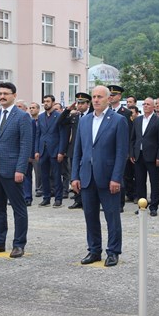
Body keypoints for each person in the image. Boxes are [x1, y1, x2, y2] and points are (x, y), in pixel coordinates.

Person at [71, 85, 129, 267]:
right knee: (90, 215)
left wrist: (116, 178)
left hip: (108, 177)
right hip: (87, 176)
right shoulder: (85, 121)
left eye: (99, 97)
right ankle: (94, 250)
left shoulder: (118, 121)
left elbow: (121, 152)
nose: (95, 100)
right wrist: (75, 176)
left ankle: (113, 252)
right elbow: (78, 151)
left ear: (108, 99)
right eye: (94, 97)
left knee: (112, 216)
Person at [0, 82, 32, 258]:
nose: (2, 96)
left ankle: (18, 244)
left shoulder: (22, 117)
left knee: (18, 208)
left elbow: (25, 145)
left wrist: (21, 169)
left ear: (14, 95)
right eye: (0, 93)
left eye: (6, 94)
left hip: (12, 170)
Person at [130, 97, 159, 217]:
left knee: (154, 182)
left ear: (153, 107)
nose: (145, 106)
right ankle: (142, 205)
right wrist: (132, 153)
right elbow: (133, 139)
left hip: (152, 156)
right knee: (140, 182)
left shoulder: (158, 121)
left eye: (148, 104)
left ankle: (154, 206)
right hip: (139, 156)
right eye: (144, 104)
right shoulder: (138, 120)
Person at [58, 92, 92, 209]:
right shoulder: (74, 116)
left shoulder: (92, 115)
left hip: (88, 149)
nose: (79, 105)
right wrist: (68, 110)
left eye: (82, 103)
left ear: (88, 104)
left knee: (87, 175)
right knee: (75, 174)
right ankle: (78, 200)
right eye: (78, 103)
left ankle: (88, 200)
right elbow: (60, 122)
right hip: (74, 149)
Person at [35, 94, 65, 208]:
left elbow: (62, 135)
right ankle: (46, 198)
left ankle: (58, 199)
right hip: (43, 150)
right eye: (44, 101)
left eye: (48, 101)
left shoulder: (59, 116)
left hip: (55, 150)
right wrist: (36, 150)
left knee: (57, 176)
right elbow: (38, 134)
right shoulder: (41, 116)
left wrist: (61, 151)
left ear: (53, 102)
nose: (45, 103)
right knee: (44, 176)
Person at [108, 85, 132, 212]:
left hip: (121, 150)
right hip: (109, 151)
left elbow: (130, 134)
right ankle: (110, 202)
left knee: (120, 177)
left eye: (114, 95)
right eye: (109, 95)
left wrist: (128, 151)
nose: (111, 97)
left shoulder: (126, 113)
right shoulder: (107, 112)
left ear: (119, 96)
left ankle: (120, 204)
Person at [29, 102, 43, 197]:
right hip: (29, 151)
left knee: (38, 172)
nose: (31, 109)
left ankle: (39, 188)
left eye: (33, 107)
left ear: (38, 109)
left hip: (37, 150)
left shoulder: (41, 121)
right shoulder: (28, 121)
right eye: (30, 108)